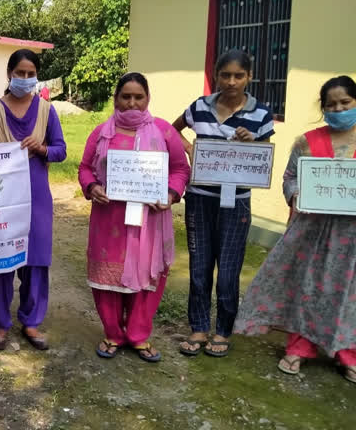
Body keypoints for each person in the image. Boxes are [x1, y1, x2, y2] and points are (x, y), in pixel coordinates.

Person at [233, 76, 356, 383]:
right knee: (306, 287)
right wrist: (298, 194)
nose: (338, 109)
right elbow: (289, 178)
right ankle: (299, 348)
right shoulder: (307, 142)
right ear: (323, 108)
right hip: (312, 231)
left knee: (350, 293)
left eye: (346, 103)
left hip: (352, 237)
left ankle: (347, 352)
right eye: (332, 105)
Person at [78, 73, 191, 362]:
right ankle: (113, 333)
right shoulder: (102, 132)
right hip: (109, 220)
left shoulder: (165, 132)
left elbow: (180, 169)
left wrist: (170, 195)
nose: (132, 103)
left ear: (147, 99)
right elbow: (85, 168)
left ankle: (139, 335)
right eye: (126, 96)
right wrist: (92, 187)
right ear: (116, 98)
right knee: (107, 278)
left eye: (138, 97)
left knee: (146, 279)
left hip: (149, 221)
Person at [173, 49, 275, 357]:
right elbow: (171, 129)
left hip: (237, 202)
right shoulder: (199, 107)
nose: (231, 81)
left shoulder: (261, 114)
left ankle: (223, 330)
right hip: (200, 199)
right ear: (216, 76)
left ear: (249, 77)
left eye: (238, 75)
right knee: (200, 265)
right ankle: (199, 327)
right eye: (225, 75)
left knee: (229, 270)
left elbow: (263, 158)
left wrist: (252, 143)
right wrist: (191, 149)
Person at [0, 49, 67, 351]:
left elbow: (61, 149)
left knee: (37, 260)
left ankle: (31, 321)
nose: (25, 79)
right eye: (20, 73)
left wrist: (41, 149)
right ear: (10, 74)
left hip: (37, 196)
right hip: (0, 195)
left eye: (31, 74)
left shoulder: (45, 111)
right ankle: (1, 323)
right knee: (2, 258)